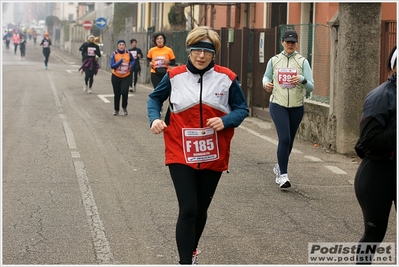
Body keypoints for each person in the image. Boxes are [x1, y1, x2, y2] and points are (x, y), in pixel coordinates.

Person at [147, 26, 249, 265]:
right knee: (189, 208)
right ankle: (185, 262)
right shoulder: (174, 76)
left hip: (214, 152)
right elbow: (154, 98)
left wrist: (226, 120)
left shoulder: (227, 78)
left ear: (215, 54)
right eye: (196, 50)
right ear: (189, 51)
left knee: (201, 210)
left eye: (207, 51)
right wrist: (155, 118)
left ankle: (191, 249)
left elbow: (242, 109)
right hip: (180, 150)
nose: (201, 56)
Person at [353, 46, 396, 264]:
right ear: (395, 67)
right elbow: (369, 140)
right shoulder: (381, 97)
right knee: (373, 236)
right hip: (379, 173)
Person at [262, 29, 314, 189]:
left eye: (293, 42)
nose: (290, 44)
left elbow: (311, 87)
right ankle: (283, 176)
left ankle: (279, 166)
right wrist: (266, 84)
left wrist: (302, 79)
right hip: (278, 103)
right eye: (287, 41)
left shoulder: (302, 62)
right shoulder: (274, 60)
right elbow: (266, 77)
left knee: (289, 140)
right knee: (284, 138)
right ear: (282, 42)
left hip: (297, 106)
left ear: (296, 43)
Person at [110, 40, 135, 116]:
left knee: (124, 92)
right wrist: (120, 62)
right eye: (120, 45)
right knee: (117, 94)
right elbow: (112, 66)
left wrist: (131, 65)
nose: (121, 46)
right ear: (118, 46)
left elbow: (133, 60)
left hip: (126, 76)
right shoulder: (114, 54)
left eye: (123, 45)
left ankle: (124, 107)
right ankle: (116, 109)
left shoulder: (128, 53)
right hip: (116, 76)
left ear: (125, 46)